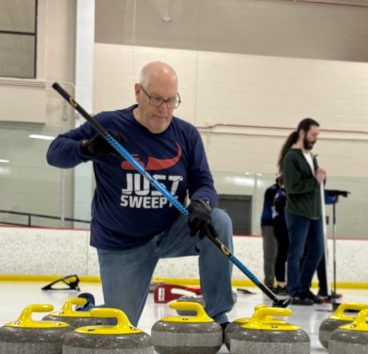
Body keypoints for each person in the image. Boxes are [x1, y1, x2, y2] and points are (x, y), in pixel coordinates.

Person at [46, 61, 234, 327]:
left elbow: (203, 181)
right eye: (157, 99)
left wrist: (203, 203)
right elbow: (54, 153)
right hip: (122, 244)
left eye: (171, 100)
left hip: (170, 233)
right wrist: (88, 148)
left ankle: (218, 316)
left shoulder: (187, 135)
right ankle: (81, 311)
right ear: (138, 92)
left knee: (219, 221)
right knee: (118, 326)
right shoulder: (108, 124)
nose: (164, 109)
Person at [278, 118, 327, 306]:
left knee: (317, 251)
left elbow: (315, 185)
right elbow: (293, 187)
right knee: (296, 252)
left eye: (317, 135)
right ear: (302, 133)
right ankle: (294, 290)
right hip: (298, 213)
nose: (315, 138)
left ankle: (304, 288)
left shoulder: (311, 156)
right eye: (313, 134)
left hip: (314, 212)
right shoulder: (292, 157)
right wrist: (315, 180)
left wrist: (321, 178)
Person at [260, 176, 282, 290]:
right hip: (270, 225)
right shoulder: (272, 190)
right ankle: (269, 283)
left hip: (282, 226)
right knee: (270, 255)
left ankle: (282, 283)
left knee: (281, 256)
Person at [271, 178, 289, 294]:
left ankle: (283, 282)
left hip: (283, 227)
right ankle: (281, 282)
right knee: (282, 255)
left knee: (284, 255)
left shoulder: (282, 194)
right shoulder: (281, 194)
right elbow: (278, 208)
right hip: (282, 228)